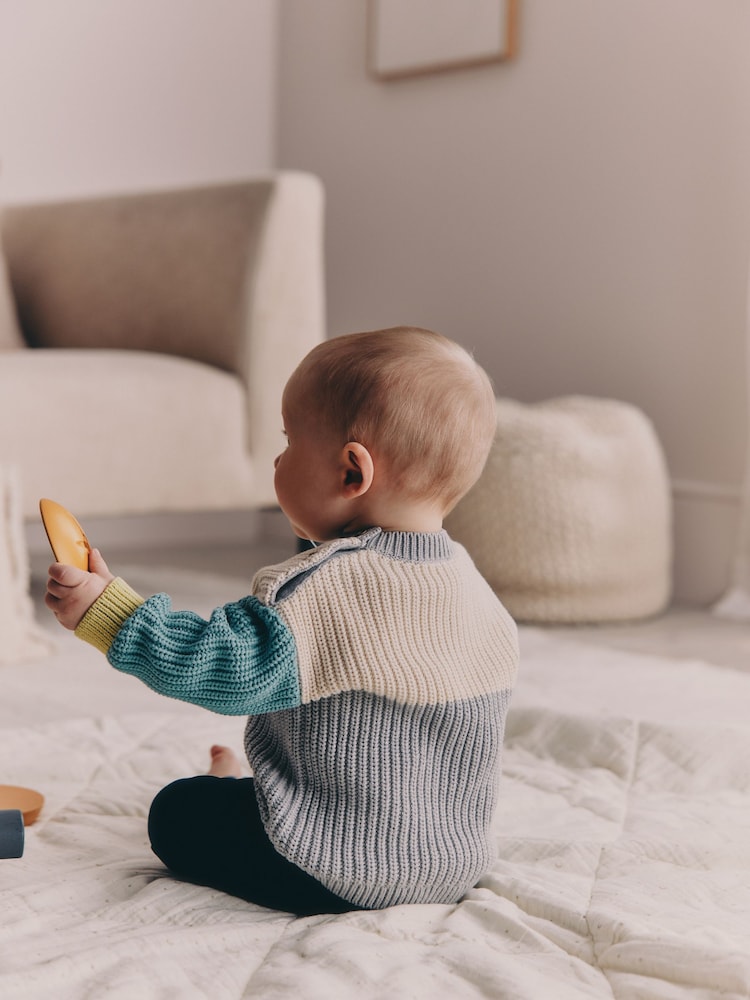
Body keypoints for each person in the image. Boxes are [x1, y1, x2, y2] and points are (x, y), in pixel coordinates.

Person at [45, 326, 519, 915]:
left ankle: (229, 786)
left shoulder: (330, 590)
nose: (278, 458)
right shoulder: (476, 592)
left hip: (331, 868)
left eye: (290, 439)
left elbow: (220, 665)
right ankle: (249, 787)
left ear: (352, 474)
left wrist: (110, 614)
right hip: (449, 864)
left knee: (176, 812)